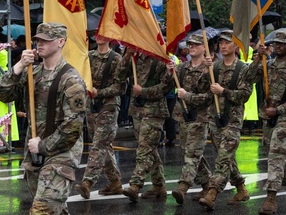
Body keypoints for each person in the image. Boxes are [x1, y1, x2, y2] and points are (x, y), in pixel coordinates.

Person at [0, 23, 92, 215]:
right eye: (37, 40)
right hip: (35, 156)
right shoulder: (32, 73)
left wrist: (45, 144)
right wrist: (17, 69)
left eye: (46, 40)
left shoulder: (71, 79)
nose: (40, 44)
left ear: (61, 42)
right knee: (55, 213)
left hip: (61, 156)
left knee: (41, 213)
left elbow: (74, 126)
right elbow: (0, 94)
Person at [251, 28, 286, 215]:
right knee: (276, 156)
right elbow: (248, 78)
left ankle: (271, 197)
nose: (278, 46)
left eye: (283, 44)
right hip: (269, 118)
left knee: (275, 154)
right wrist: (258, 59)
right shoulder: (268, 65)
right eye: (276, 43)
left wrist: (278, 109)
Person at [198, 29, 257, 210]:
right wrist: (205, 69)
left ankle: (212, 193)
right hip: (215, 119)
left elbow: (245, 95)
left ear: (236, 45)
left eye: (227, 42)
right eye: (221, 43)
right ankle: (241, 189)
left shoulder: (243, 69)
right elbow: (202, 88)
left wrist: (224, 91)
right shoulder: (214, 67)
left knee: (223, 159)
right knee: (227, 158)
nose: (223, 46)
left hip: (232, 120)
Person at [120, 47, 170, 201]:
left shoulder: (160, 57)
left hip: (154, 110)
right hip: (137, 110)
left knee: (144, 149)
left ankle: (135, 184)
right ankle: (159, 185)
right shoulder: (134, 57)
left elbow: (166, 87)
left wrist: (144, 91)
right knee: (150, 149)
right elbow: (119, 75)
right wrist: (127, 55)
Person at [77, 37, 123, 198]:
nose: (99, 36)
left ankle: (87, 182)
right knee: (103, 145)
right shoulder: (88, 56)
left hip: (108, 107)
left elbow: (121, 87)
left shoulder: (116, 59)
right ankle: (115, 181)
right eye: (97, 33)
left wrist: (100, 92)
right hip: (91, 106)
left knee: (98, 145)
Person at [172, 33, 215, 204]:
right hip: (183, 116)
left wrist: (188, 96)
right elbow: (168, 81)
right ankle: (207, 184)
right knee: (189, 152)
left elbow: (209, 97)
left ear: (204, 48)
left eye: (196, 45)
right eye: (190, 44)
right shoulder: (182, 67)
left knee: (192, 153)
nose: (191, 47)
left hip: (200, 117)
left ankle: (183, 187)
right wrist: (169, 70)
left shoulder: (209, 69)